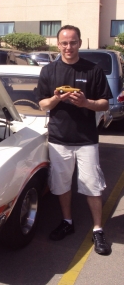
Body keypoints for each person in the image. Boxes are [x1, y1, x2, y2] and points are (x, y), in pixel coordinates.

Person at [36, 25, 113, 255]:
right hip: (59, 139)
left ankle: (98, 230)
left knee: (92, 186)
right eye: (64, 43)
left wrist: (86, 103)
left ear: (80, 43)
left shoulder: (93, 70)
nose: (68, 47)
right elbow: (42, 105)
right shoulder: (49, 71)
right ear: (58, 44)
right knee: (61, 185)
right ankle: (67, 222)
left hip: (87, 139)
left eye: (73, 42)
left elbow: (105, 103)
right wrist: (57, 98)